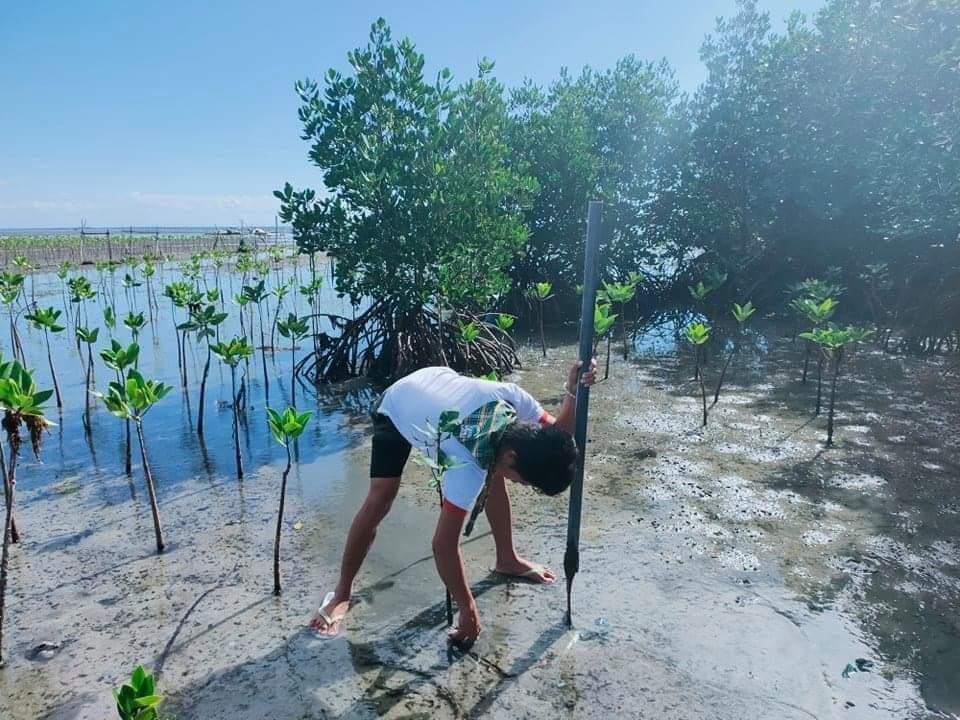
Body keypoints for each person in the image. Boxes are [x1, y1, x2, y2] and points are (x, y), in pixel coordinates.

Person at [311, 358, 597, 645]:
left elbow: (559, 434)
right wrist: (467, 609)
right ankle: (341, 593)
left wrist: (572, 391)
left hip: (435, 387)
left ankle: (507, 559)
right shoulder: (466, 466)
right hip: (397, 407)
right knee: (381, 497)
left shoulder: (514, 401)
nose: (519, 484)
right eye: (523, 481)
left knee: (494, 468)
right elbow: (443, 545)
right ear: (513, 456)